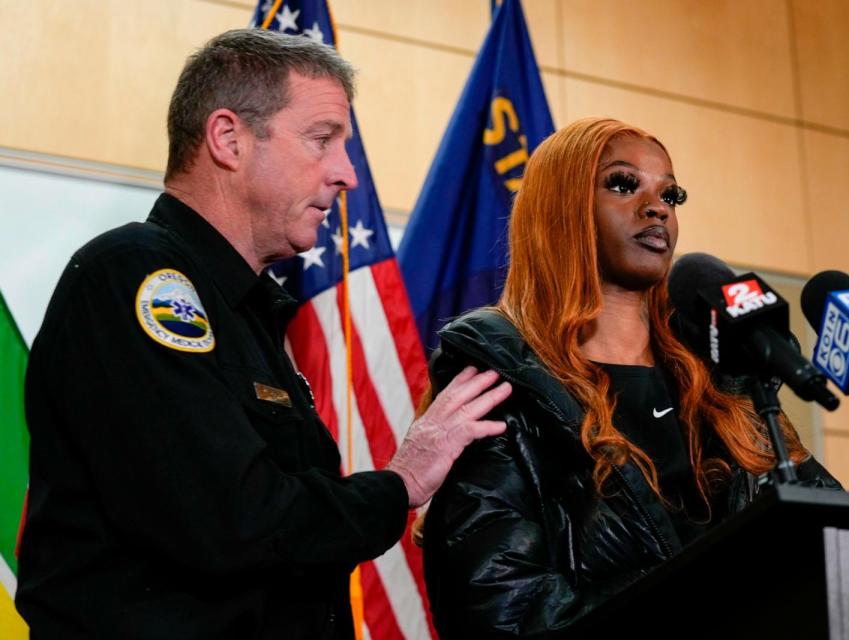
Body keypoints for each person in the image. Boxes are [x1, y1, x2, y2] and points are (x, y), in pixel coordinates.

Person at [15, 28, 511, 639]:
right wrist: (400, 484)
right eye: (321, 139)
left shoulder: (245, 310)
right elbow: (233, 520)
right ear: (228, 139)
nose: (347, 174)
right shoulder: (139, 278)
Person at [420, 117, 841, 638]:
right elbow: (501, 606)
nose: (657, 207)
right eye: (623, 184)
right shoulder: (501, 377)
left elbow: (832, 534)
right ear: (561, 209)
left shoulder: (721, 375)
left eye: (671, 193)